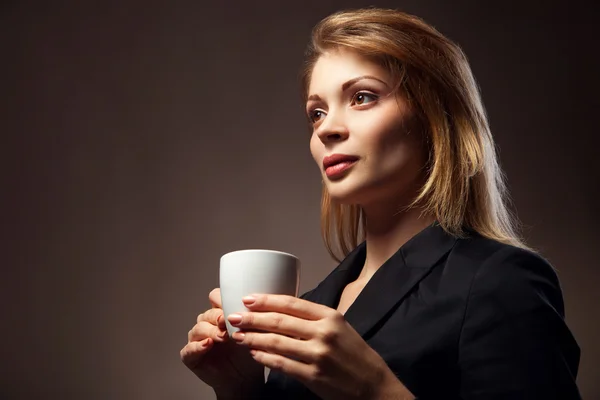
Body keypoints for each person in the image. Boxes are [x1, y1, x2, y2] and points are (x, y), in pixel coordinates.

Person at [180, 8, 581, 399]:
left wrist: (373, 390)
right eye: (316, 113)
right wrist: (241, 388)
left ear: (433, 116)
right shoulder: (314, 305)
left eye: (362, 97)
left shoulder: (501, 281)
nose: (327, 130)